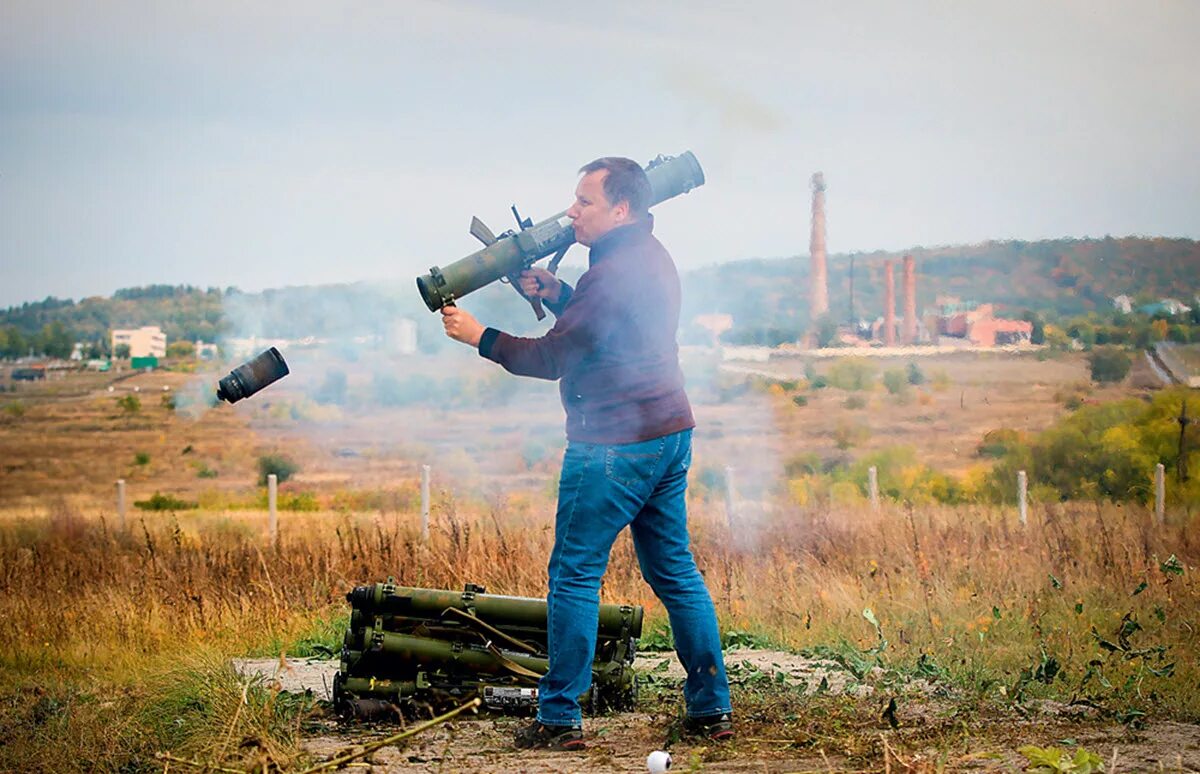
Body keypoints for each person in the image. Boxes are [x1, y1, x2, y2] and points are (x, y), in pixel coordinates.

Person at [441, 157, 732, 750]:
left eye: (584, 202)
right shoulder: (647, 258)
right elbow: (611, 329)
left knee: (573, 576)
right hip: (668, 434)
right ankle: (711, 707)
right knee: (674, 572)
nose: (571, 211)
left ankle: (558, 718)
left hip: (612, 446)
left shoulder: (612, 274)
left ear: (620, 209)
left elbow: (554, 358)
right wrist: (558, 291)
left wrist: (480, 337)